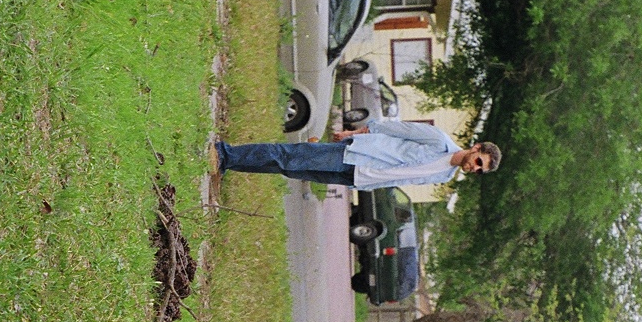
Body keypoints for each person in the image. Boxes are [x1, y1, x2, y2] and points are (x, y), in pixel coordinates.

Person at [214, 120, 502, 190]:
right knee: (289, 155)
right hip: (354, 155)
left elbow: (401, 179)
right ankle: (226, 153)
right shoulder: (438, 140)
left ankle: (232, 164)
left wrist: (363, 185)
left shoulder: (443, 175)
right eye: (479, 162)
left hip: (357, 178)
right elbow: (395, 128)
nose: (474, 168)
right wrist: (355, 133)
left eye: (480, 171)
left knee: (289, 169)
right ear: (475, 148)